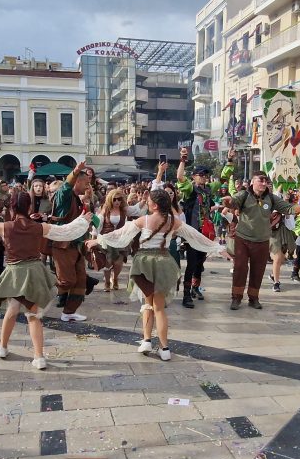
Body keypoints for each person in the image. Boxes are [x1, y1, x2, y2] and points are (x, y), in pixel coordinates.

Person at [0, 192, 92, 369]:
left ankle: (5, 348)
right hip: (33, 271)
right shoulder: (39, 227)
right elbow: (65, 232)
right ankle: (37, 356)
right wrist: (83, 220)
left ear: (11, 207)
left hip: (15, 272)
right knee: (33, 314)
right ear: (28, 207)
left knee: (12, 309)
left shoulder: (4, 226)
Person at [87, 189, 227, 360]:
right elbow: (196, 236)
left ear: (153, 205)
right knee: (159, 308)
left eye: (149, 201)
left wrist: (97, 240)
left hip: (144, 264)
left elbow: (119, 235)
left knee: (148, 304)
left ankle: (147, 340)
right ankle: (164, 348)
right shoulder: (173, 222)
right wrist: (219, 248)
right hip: (164, 264)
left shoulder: (143, 220)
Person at [223, 171, 298, 310]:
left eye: (266, 181)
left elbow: (287, 208)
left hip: (262, 240)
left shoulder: (271, 198)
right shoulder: (244, 195)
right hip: (243, 239)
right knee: (240, 269)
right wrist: (228, 202)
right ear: (253, 181)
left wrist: (299, 208)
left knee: (258, 270)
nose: (264, 183)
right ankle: (236, 298)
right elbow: (233, 202)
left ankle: (253, 298)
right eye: (261, 180)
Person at [174, 147, 232, 307]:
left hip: (206, 232)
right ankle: (186, 295)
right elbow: (180, 177)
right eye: (201, 175)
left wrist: (230, 161)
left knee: (200, 262)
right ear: (194, 176)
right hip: (193, 232)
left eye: (206, 175)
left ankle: (195, 287)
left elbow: (223, 178)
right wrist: (183, 160)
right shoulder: (190, 188)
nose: (205, 178)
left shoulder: (208, 189)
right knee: (191, 262)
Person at [51, 159, 94, 321]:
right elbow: (65, 187)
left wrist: (87, 202)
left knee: (80, 281)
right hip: (63, 245)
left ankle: (68, 313)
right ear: (77, 181)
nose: (88, 185)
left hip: (77, 245)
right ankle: (36, 294)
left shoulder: (78, 199)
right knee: (66, 281)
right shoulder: (64, 196)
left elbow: (85, 219)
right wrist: (75, 171)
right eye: (85, 182)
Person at [97, 188, 146, 292]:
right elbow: (99, 222)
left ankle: (115, 279)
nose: (117, 202)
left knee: (118, 263)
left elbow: (135, 210)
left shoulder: (124, 209)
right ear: (110, 199)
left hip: (121, 240)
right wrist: (94, 236)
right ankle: (106, 282)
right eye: (114, 199)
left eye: (119, 199)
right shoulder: (105, 209)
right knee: (108, 263)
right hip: (107, 240)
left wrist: (143, 200)